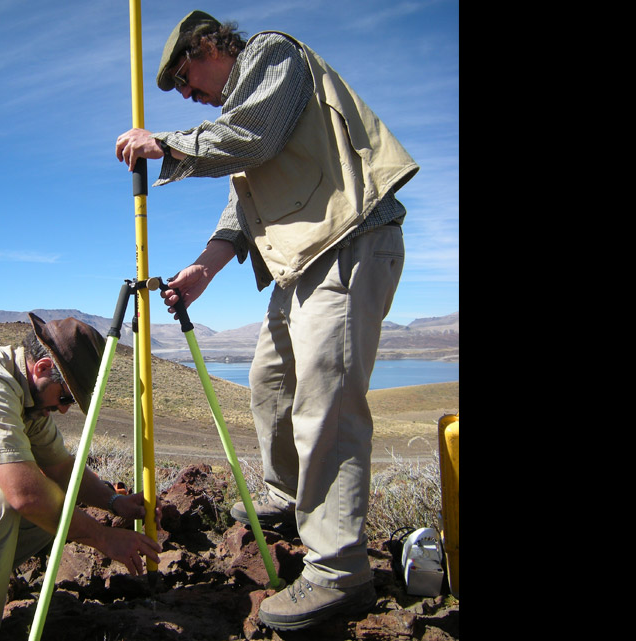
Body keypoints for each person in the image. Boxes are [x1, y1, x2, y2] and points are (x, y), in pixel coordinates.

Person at [115, 10, 418, 632]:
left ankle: (338, 570)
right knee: (270, 385)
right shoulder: (246, 107)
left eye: (186, 79)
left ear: (209, 47)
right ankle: (287, 500)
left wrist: (167, 142)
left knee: (325, 406)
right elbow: (243, 199)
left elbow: (251, 139)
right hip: (302, 261)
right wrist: (203, 270)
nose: (190, 95)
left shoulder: (272, 57)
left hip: (349, 243)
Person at [0, 313, 161, 641]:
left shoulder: (28, 398)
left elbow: (62, 469)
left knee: (50, 508)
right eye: (65, 398)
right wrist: (104, 538)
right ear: (42, 368)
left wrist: (114, 501)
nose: (64, 410)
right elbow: (25, 496)